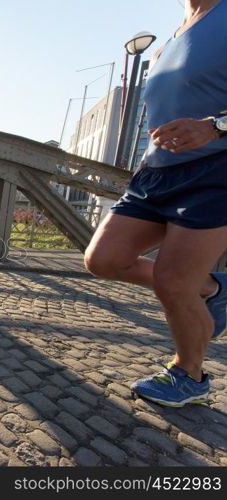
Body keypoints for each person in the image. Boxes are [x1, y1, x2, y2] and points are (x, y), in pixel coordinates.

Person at [84, 0, 227, 408]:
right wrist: (147, 156)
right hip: (156, 174)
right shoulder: (171, 39)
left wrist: (215, 127)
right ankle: (213, 288)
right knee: (103, 259)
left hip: (215, 171)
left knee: (173, 282)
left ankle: (190, 375)